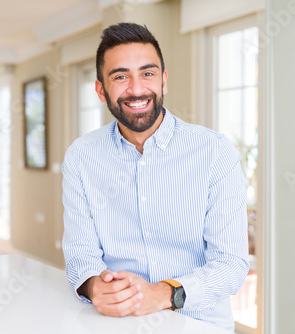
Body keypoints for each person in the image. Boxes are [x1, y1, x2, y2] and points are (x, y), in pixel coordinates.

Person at [62, 22, 249, 333]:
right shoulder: (81, 157)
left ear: (163, 81)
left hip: (197, 324)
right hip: (113, 322)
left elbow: (231, 265)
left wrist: (162, 294)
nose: (136, 89)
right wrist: (95, 286)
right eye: (120, 76)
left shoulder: (214, 152)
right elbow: (81, 253)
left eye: (147, 73)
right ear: (100, 89)